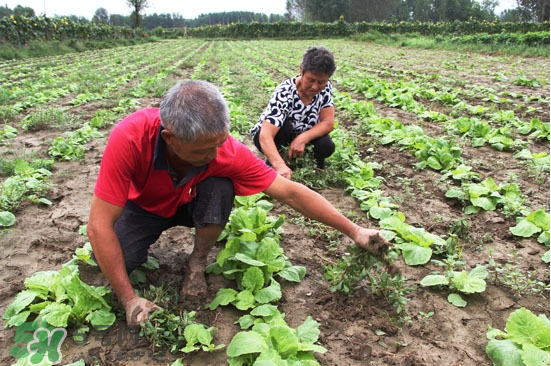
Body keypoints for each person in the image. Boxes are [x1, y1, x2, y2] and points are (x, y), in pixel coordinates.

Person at [87, 80, 389, 328]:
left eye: (219, 143)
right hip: (145, 207)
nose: (215, 153)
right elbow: (99, 224)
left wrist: (354, 230)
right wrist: (129, 300)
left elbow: (291, 193)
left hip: (191, 202)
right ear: (171, 138)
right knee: (118, 261)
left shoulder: (223, 150)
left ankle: (197, 263)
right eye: (205, 149)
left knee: (220, 184)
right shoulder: (130, 137)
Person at [250, 46, 336, 180]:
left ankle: (314, 167)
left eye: (321, 82)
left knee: (326, 145)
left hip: (300, 133)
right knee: (284, 127)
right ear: (301, 70)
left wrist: (302, 139)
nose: (315, 87)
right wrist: (280, 166)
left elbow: (328, 122)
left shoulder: (326, 88)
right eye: (311, 80)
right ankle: (274, 162)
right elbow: (265, 135)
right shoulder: (284, 92)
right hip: (272, 135)